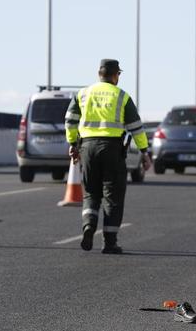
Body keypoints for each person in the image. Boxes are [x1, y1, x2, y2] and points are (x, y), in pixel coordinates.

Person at [65, 59, 152, 254]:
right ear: (115, 75)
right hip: (112, 149)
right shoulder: (122, 96)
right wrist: (145, 152)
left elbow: (70, 120)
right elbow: (136, 129)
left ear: (99, 74)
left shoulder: (83, 94)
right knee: (112, 196)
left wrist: (73, 144)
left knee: (91, 193)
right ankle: (109, 242)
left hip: (87, 148)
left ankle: (89, 225)